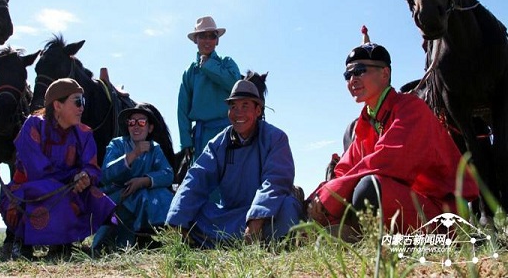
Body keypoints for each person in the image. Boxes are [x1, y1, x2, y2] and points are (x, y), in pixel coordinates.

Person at [307, 28, 479, 240]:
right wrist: (318, 196)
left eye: (360, 70)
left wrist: (332, 193)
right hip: (405, 202)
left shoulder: (410, 108)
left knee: (368, 189)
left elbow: (389, 159)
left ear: (385, 73)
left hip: (439, 209)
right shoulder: (366, 122)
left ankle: (360, 234)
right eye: (347, 74)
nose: (352, 79)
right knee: (331, 194)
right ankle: (350, 232)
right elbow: (345, 169)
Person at [166, 80, 304, 248]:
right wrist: (177, 220)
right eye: (233, 107)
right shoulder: (218, 143)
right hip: (233, 216)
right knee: (193, 213)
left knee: (286, 206)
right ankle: (243, 241)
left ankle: (261, 241)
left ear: (258, 110)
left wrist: (256, 220)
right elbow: (196, 178)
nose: (238, 113)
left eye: (245, 106)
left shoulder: (276, 138)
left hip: (264, 214)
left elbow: (276, 180)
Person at [0, 78, 117, 258]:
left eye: (83, 102)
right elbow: (37, 170)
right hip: (31, 191)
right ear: (57, 105)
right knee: (50, 190)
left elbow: (92, 167)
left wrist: (85, 176)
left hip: (68, 188)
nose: (82, 108)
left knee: (96, 197)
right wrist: (73, 179)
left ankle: (63, 242)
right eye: (77, 102)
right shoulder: (33, 125)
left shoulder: (84, 134)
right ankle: (23, 240)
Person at [93, 103, 174, 250]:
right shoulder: (116, 144)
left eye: (141, 122)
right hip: (118, 196)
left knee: (163, 195)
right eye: (132, 122)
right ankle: (119, 240)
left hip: (142, 194)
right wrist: (133, 154)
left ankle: (146, 233)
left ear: (150, 128)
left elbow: (168, 174)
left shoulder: (154, 148)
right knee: (110, 240)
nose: (136, 126)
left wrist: (144, 181)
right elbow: (105, 174)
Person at [178, 16, 241, 161]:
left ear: (217, 40)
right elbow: (182, 109)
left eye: (211, 36)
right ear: (196, 40)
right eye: (202, 36)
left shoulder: (227, 63)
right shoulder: (189, 72)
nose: (207, 40)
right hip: (201, 137)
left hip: (229, 132)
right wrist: (186, 142)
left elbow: (235, 85)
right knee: (202, 180)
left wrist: (207, 65)